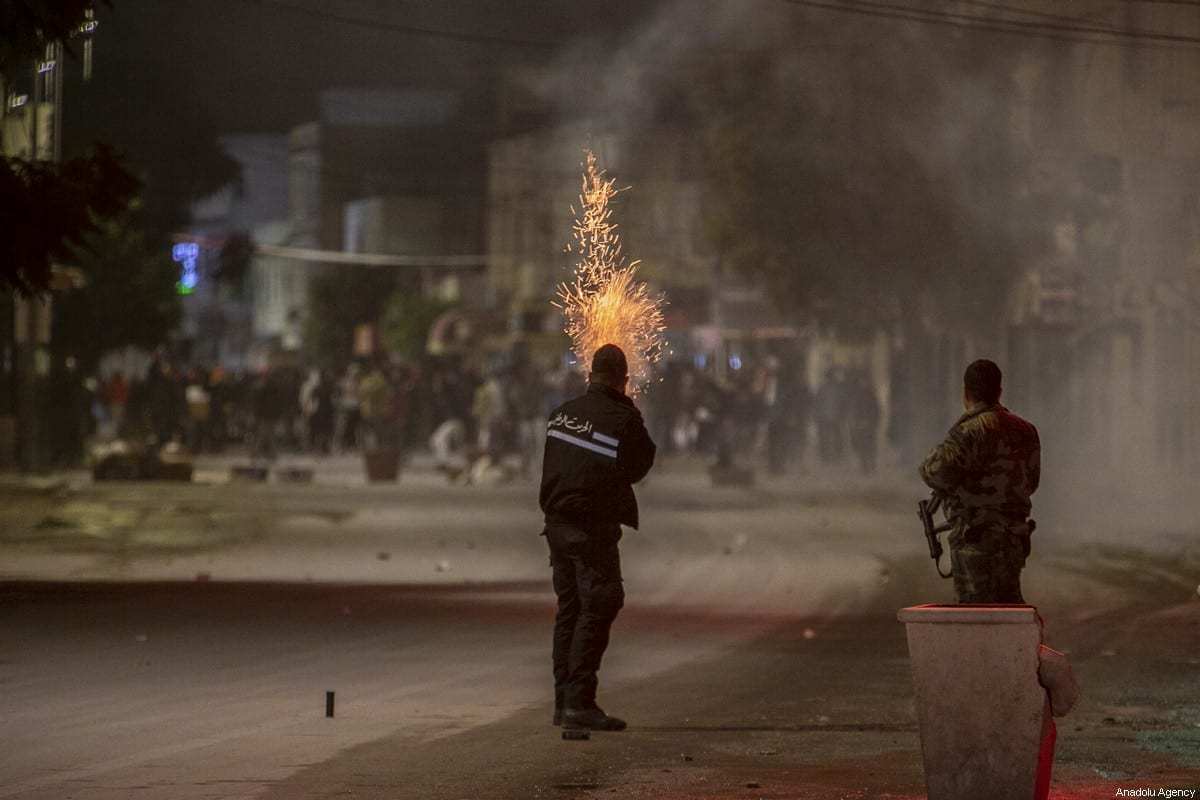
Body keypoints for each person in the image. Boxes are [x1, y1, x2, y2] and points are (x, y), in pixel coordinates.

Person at [539, 344, 656, 732]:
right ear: (624, 380)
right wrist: (631, 412)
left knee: (571, 608)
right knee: (602, 601)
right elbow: (639, 465)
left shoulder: (561, 415)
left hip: (557, 524)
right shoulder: (624, 418)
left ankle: (563, 702)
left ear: (590, 376)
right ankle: (579, 701)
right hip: (590, 527)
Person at [919, 359, 1040, 604]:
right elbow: (1032, 482)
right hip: (1013, 541)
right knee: (1009, 611)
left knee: (975, 615)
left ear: (966, 393)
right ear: (999, 391)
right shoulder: (1026, 430)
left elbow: (933, 472)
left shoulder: (968, 432)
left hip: (975, 542)